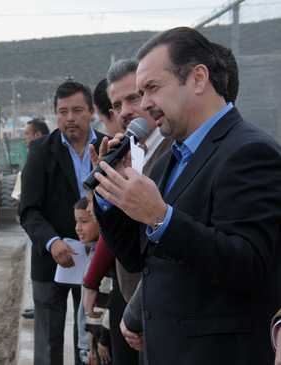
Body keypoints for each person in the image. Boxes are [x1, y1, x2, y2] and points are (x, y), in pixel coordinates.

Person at [91, 26, 281, 364]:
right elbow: (139, 259)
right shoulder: (168, 162)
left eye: (152, 88)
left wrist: (160, 217)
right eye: (140, 93)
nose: (146, 104)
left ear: (197, 79)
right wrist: (112, 193)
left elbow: (248, 265)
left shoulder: (250, 151)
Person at [84, 58, 174, 365]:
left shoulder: (176, 151)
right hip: (133, 298)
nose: (124, 112)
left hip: (165, 308)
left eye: (133, 98)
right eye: (117, 104)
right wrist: (107, 191)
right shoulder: (134, 152)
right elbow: (127, 247)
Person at [20, 81, 107, 365]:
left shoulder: (109, 147)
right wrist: (51, 242)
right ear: (55, 114)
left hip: (99, 262)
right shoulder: (41, 149)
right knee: (47, 344)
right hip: (51, 262)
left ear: (92, 111)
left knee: (92, 339)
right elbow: (29, 209)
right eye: (63, 111)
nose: (70, 117)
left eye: (78, 110)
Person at [75, 194, 112, 365]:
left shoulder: (102, 260)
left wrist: (95, 344)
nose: (77, 228)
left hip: (97, 340)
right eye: (76, 222)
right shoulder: (91, 253)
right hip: (89, 340)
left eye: (84, 221)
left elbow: (101, 307)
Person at [19, 117, 50, 320]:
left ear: (37, 135)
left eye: (27, 134)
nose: (24, 138)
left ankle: (40, 307)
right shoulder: (36, 153)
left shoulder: (42, 154)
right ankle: (37, 306)